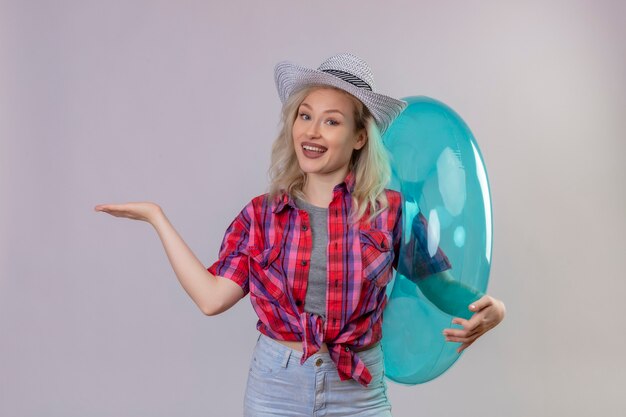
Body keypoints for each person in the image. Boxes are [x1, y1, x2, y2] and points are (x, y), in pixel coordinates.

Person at [95, 53, 506, 417]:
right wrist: (157, 219)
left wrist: (492, 309)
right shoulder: (261, 216)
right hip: (276, 389)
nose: (311, 132)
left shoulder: (392, 213)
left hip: (358, 393)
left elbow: (440, 287)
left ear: (359, 137)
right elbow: (211, 298)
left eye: (332, 121)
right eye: (305, 116)